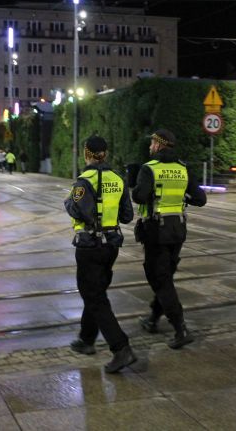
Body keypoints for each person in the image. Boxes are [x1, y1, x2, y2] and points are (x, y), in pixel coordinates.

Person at [65, 135, 137, 373]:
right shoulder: (118, 179)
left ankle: (121, 347)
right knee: (96, 292)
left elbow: (79, 211)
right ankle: (86, 339)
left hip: (90, 246)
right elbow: (126, 216)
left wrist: (69, 202)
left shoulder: (83, 181)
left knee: (93, 295)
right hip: (111, 245)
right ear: (105, 154)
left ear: (86, 153)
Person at [131, 129, 206, 349]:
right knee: (164, 276)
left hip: (156, 231)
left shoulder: (150, 168)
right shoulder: (183, 168)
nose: (150, 146)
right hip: (178, 230)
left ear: (158, 144)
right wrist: (181, 196)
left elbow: (139, 196)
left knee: (159, 278)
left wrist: (135, 183)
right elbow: (200, 199)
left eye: (152, 143)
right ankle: (153, 318)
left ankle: (180, 328)